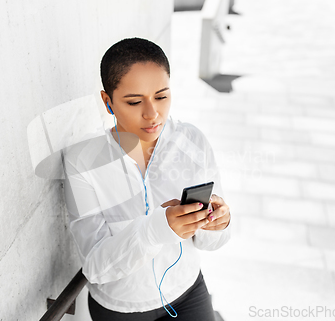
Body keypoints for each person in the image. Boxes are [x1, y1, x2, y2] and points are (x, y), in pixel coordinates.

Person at [63, 37, 231, 321]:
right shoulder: (83, 161)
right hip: (120, 307)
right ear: (108, 102)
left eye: (162, 96)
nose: (152, 114)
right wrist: (158, 228)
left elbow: (214, 241)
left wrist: (217, 223)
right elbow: (95, 267)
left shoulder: (191, 141)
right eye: (133, 101)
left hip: (187, 291)